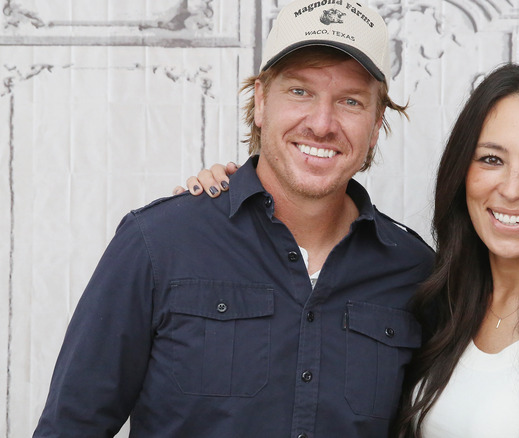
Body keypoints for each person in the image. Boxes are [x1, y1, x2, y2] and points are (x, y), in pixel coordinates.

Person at [185, 63, 519, 437]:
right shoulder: (440, 296)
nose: (512, 188)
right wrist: (230, 198)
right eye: (491, 159)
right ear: (463, 174)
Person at [33, 0, 433, 437]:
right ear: (261, 101)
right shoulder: (159, 242)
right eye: (299, 91)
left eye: (351, 101)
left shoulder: (417, 272)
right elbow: (71, 427)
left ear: (376, 124)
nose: (321, 124)